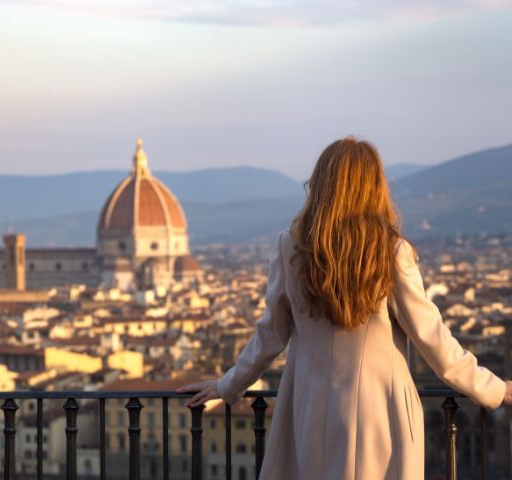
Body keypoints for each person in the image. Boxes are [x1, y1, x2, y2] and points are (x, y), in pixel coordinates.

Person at [176, 136, 512, 479]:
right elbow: (434, 341)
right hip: (381, 409)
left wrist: (228, 385)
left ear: (320, 185)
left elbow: (269, 337)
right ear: (374, 188)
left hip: (309, 408)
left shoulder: (291, 248)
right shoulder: (391, 252)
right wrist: (496, 389)